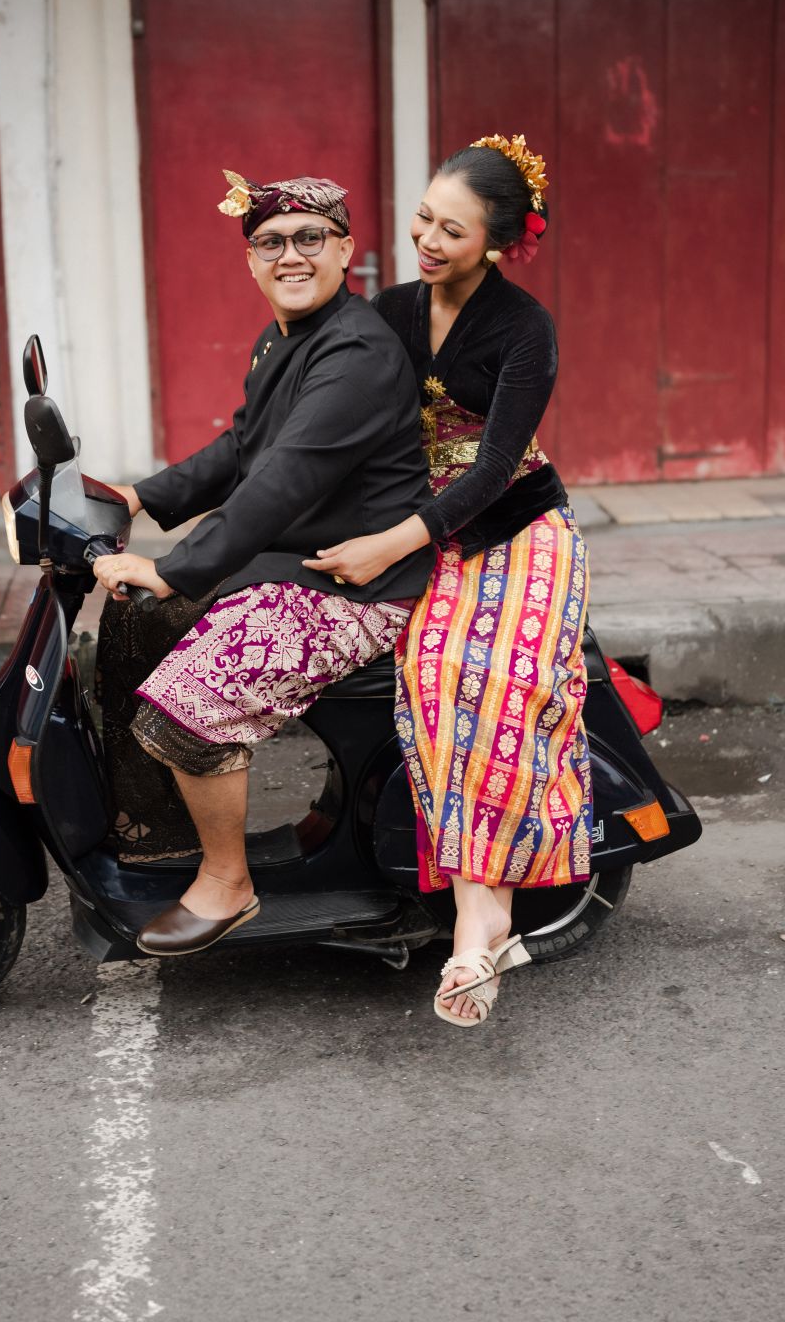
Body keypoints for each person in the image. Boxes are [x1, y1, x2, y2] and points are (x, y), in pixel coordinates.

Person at [92, 169, 435, 957]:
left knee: (189, 703)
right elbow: (245, 447)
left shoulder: (355, 352)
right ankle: (160, 839)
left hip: (357, 588)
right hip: (297, 565)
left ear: (345, 249)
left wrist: (171, 568)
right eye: (271, 243)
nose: (290, 255)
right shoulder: (284, 338)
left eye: (310, 237)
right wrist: (136, 497)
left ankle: (228, 883)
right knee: (134, 625)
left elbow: (283, 480)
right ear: (250, 261)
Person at [302, 135, 592, 1028]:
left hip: (517, 529)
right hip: (421, 530)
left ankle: (477, 923)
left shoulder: (525, 329)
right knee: (430, 674)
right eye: (424, 219)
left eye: (451, 232)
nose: (427, 240)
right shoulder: (390, 309)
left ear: (498, 243)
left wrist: (385, 545)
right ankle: (483, 919)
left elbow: (496, 468)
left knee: (488, 678)